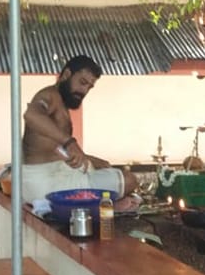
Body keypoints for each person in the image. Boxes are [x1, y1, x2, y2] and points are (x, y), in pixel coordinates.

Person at [21, 54, 139, 205]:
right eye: (82, 82)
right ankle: (108, 206)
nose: (84, 91)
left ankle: (105, 203)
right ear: (66, 75)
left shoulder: (60, 100)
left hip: (54, 177)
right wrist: (69, 142)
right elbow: (31, 115)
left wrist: (88, 159)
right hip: (46, 185)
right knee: (129, 180)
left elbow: (51, 148)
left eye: (89, 87)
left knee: (103, 166)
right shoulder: (49, 95)